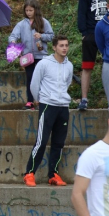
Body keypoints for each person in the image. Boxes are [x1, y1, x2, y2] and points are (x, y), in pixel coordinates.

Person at [23, 35, 73, 187]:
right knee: (42, 141)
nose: (64, 48)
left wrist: (62, 98)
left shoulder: (69, 65)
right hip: (47, 105)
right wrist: (38, 98)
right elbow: (34, 84)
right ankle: (30, 173)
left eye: (66, 45)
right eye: (61, 45)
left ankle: (53, 175)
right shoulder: (44, 63)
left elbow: (67, 83)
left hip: (63, 106)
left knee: (58, 142)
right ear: (54, 47)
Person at [9, 0, 54, 110]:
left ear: (36, 10)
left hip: (41, 55)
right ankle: (30, 102)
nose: (28, 12)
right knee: (30, 78)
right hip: (27, 57)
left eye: (31, 10)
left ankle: (41, 101)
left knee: (41, 79)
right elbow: (13, 36)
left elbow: (52, 36)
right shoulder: (21, 24)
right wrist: (13, 42)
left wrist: (42, 36)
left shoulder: (44, 22)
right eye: (27, 10)